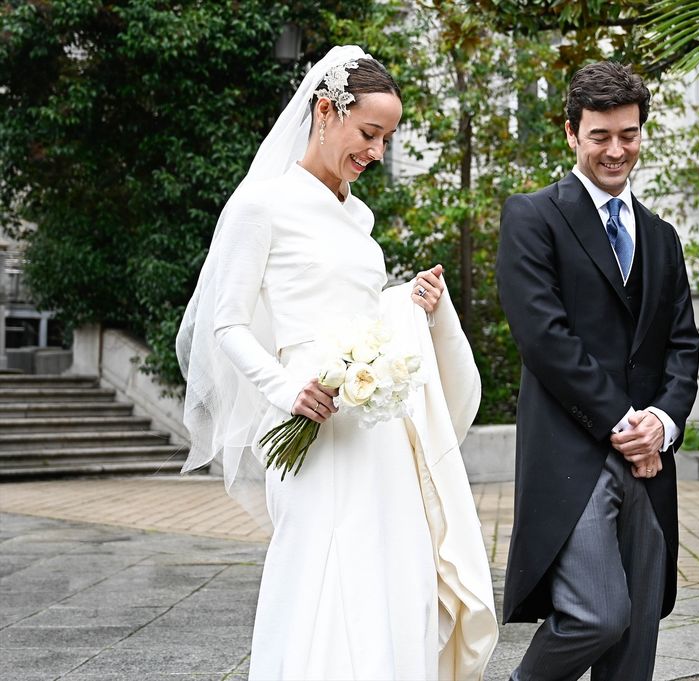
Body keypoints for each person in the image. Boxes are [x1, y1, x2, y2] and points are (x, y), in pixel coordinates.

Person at [176, 45, 497, 680]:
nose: (377, 152)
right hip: (310, 427)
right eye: (370, 134)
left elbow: (360, 312)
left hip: (375, 429)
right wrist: (290, 387)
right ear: (326, 112)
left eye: (387, 139)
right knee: (320, 575)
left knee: (392, 570)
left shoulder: (360, 215)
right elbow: (227, 323)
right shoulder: (259, 206)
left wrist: (413, 303)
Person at [496, 61, 699, 681]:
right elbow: (545, 340)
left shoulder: (662, 236)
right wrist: (625, 424)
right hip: (573, 453)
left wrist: (662, 424)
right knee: (595, 614)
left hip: (649, 460)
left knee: (636, 633)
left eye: (629, 135)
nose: (617, 150)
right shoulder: (532, 217)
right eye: (601, 136)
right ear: (570, 134)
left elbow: (682, 346)